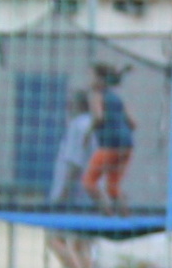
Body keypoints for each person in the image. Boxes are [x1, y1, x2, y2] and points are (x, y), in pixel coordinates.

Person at [85, 69, 135, 213]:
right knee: (113, 187)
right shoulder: (118, 98)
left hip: (110, 144)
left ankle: (106, 213)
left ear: (101, 80)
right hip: (126, 145)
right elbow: (133, 123)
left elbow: (99, 117)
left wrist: (88, 134)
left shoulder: (97, 96)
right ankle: (125, 216)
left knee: (89, 183)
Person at [48, 90, 95, 210]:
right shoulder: (88, 124)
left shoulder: (78, 126)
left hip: (73, 201)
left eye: (69, 103)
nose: (67, 108)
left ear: (80, 105)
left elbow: (75, 164)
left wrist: (63, 196)